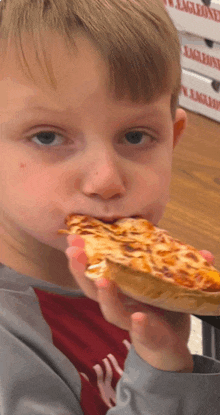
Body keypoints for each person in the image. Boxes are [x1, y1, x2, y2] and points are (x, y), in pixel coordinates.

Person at [0, 0, 219, 413]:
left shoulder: (146, 264)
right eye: (47, 137)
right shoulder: (9, 356)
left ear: (173, 140)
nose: (106, 180)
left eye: (135, 137)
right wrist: (164, 372)